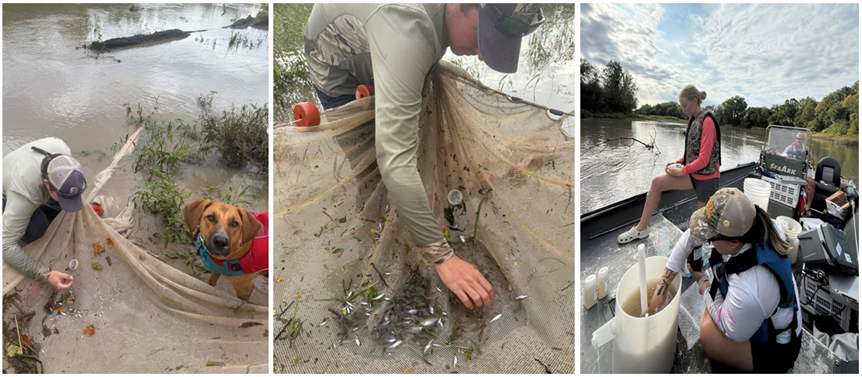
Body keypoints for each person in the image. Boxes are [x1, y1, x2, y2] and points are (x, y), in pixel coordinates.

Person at [303, 4, 544, 309]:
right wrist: (443, 258)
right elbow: (394, 160)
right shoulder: (407, 27)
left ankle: (408, 216)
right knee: (376, 175)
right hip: (339, 59)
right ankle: (375, 231)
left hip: (391, 40)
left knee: (409, 147)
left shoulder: (431, 27)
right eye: (483, 37)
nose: (483, 54)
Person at [648, 188, 802, 372]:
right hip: (758, 307)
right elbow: (691, 237)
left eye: (710, 237)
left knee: (707, 332)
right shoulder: (753, 224)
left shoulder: (750, 287)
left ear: (734, 242)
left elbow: (724, 321)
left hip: (778, 351)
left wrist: (703, 284)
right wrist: (661, 289)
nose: (706, 240)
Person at [618, 85, 720, 244]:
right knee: (657, 182)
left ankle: (703, 251)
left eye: (684, 106)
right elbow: (691, 153)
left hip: (707, 178)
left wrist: (682, 171)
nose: (683, 110)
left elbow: (704, 160)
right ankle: (641, 228)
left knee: (701, 227)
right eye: (681, 106)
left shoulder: (707, 121)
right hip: (693, 173)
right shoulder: (692, 119)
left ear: (695, 101)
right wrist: (679, 162)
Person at [3, 138, 87, 291]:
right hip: (7, 193)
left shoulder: (63, 151)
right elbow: (5, 245)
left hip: (23, 174)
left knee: (62, 210)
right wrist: (45, 275)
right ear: (47, 185)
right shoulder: (24, 192)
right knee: (38, 227)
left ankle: (43, 209)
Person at [783, 131, 816, 216]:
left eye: (800, 139)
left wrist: (811, 165)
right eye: (796, 138)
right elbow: (783, 157)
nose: (798, 140)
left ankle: (808, 207)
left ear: (803, 140)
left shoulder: (807, 149)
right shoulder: (790, 148)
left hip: (803, 172)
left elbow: (811, 162)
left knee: (812, 182)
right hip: (792, 171)